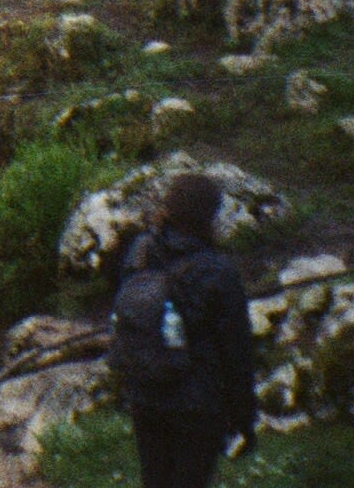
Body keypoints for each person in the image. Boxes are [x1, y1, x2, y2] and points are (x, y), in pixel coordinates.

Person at [113, 171, 257, 488]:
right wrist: (244, 421)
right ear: (209, 216)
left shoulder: (140, 251)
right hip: (196, 405)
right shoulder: (219, 272)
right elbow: (237, 354)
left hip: (144, 395)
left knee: (155, 480)